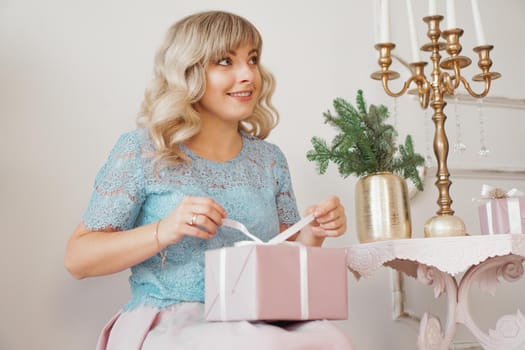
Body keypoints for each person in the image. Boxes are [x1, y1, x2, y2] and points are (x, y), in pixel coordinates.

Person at [65, 10, 354, 350]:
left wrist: (311, 233)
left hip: (257, 320)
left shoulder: (269, 160)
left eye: (253, 59)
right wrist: (166, 230)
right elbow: (78, 259)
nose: (248, 75)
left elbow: (280, 265)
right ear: (188, 73)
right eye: (225, 61)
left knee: (333, 341)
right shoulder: (143, 152)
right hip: (171, 323)